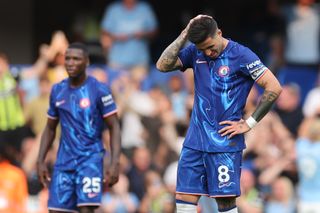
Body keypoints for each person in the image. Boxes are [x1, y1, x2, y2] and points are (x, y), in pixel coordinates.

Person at [156, 15, 282, 213]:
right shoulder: (195, 53)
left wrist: (249, 123)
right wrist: (184, 35)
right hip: (195, 141)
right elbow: (162, 65)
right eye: (202, 49)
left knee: (224, 202)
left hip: (225, 143)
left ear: (219, 33)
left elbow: (273, 86)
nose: (208, 52)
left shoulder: (242, 55)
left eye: (210, 46)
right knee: (184, 199)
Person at [36, 42, 121, 213]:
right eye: (67, 58)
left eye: (76, 59)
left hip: (90, 161)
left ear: (87, 62)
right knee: (56, 211)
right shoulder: (57, 90)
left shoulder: (99, 90)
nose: (70, 62)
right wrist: (40, 160)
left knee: (86, 210)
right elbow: (50, 128)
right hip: (63, 163)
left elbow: (114, 127)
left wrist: (114, 162)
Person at [100, 0, 158, 73]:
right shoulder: (113, 9)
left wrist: (143, 34)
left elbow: (155, 32)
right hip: (116, 61)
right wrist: (116, 37)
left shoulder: (145, 8)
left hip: (140, 61)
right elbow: (104, 32)